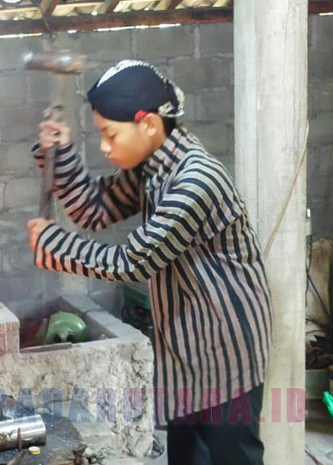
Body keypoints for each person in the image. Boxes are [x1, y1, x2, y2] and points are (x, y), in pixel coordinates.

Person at [26, 60, 272, 465]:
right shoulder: (153, 170)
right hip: (189, 345)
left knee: (232, 458)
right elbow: (94, 209)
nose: (105, 147)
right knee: (190, 457)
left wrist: (56, 246)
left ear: (150, 125)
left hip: (227, 350)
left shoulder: (195, 179)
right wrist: (60, 155)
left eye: (110, 134)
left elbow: (134, 262)